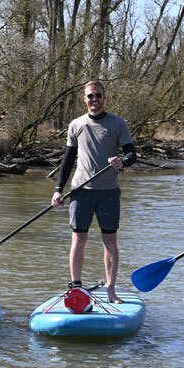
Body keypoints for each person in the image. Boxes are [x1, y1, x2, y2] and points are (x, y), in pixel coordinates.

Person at [51, 80, 136, 304]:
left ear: (104, 98)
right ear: (84, 99)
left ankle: (110, 290)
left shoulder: (118, 124)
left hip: (108, 191)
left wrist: (122, 163)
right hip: (80, 191)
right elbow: (68, 160)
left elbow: (131, 154)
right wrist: (58, 190)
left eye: (98, 95)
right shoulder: (76, 124)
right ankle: (76, 288)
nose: (94, 100)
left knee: (109, 240)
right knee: (79, 239)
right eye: (91, 96)